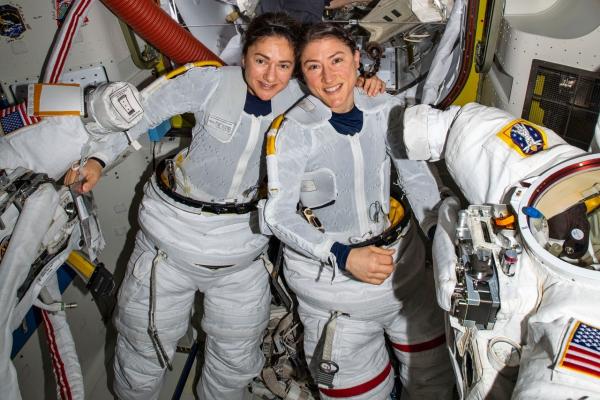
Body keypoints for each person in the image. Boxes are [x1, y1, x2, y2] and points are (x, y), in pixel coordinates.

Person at [64, 13, 385, 399]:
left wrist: (369, 86)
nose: (270, 76)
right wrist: (98, 160)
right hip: (171, 245)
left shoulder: (304, 100)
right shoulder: (206, 80)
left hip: (241, 250)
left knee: (236, 359)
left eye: (284, 65)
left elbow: (347, 101)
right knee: (143, 344)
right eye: (261, 60)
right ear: (243, 55)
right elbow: (140, 115)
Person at [263, 22, 454, 400]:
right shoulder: (293, 129)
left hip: (404, 278)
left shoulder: (385, 108)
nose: (328, 76)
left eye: (337, 60)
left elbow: (416, 180)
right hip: (334, 291)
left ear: (356, 59)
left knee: (434, 382)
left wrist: (436, 235)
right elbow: (277, 215)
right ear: (303, 74)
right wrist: (343, 255)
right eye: (313, 66)